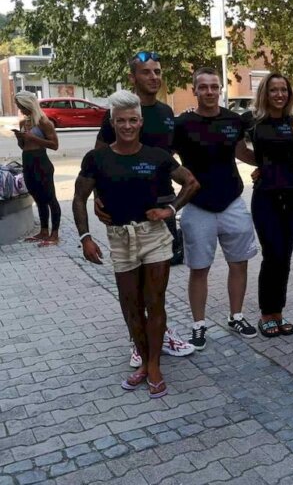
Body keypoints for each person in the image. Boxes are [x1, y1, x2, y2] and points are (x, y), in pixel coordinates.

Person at [73, 91, 199, 399]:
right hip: (120, 238)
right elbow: (79, 198)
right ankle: (143, 360)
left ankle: (154, 366)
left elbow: (192, 182)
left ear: (140, 123)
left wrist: (170, 209)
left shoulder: (156, 156)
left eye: (132, 120)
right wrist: (85, 237)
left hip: (154, 236)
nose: (127, 126)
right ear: (112, 123)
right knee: (130, 305)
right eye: (121, 121)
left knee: (155, 302)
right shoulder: (97, 159)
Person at [96, 52, 195, 366]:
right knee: (132, 286)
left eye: (157, 71)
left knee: (157, 286)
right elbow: (99, 160)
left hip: (161, 206)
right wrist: (99, 198)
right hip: (126, 211)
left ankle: (161, 333)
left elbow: (173, 155)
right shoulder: (120, 112)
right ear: (133, 77)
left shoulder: (166, 112)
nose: (153, 77)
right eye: (146, 72)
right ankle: (137, 342)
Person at [171, 68, 259, 350]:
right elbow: (166, 161)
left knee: (239, 263)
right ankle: (199, 325)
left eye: (214, 86)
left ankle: (236, 316)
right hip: (198, 206)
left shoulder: (233, 120)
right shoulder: (182, 124)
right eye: (203, 87)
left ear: (220, 89)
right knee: (199, 268)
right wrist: (179, 184)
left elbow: (241, 152)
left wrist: (271, 164)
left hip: (232, 202)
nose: (209, 91)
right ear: (194, 90)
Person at [246, 73, 293, 337]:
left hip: (290, 196)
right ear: (265, 94)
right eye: (273, 90)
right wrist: (259, 165)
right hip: (265, 196)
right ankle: (266, 314)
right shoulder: (253, 121)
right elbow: (234, 146)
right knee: (272, 255)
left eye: (283, 90)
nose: (279, 95)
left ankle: (278, 312)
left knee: (285, 257)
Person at [13, 92, 61, 246]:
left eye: (22, 106)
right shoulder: (23, 122)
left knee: (50, 198)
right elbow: (24, 146)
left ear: (29, 104)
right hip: (28, 162)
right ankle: (43, 231)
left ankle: (54, 234)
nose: (21, 110)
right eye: (19, 107)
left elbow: (55, 145)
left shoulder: (44, 122)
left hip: (41, 162)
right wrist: (20, 139)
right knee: (38, 198)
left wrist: (33, 138)